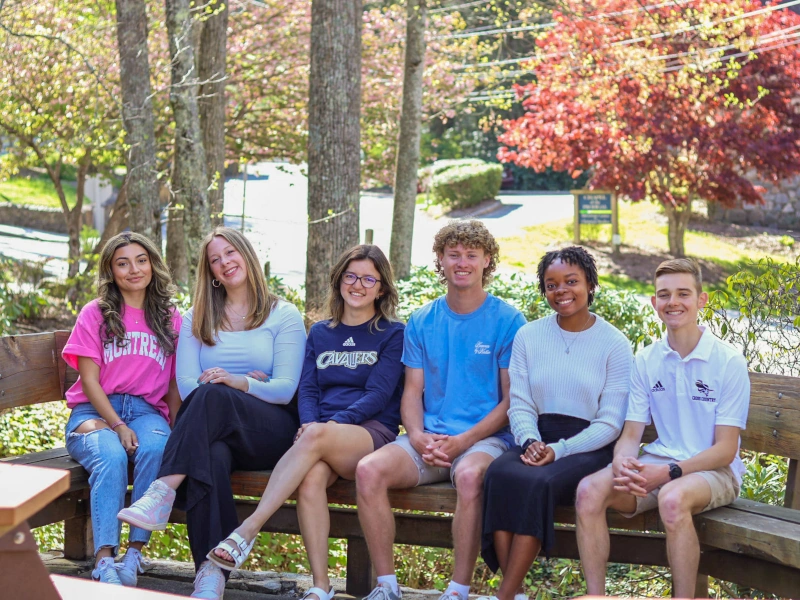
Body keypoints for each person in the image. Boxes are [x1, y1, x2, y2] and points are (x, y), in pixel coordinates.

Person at [207, 244, 405, 600]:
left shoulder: (392, 333)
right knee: (311, 481)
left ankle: (247, 530)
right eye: (350, 276)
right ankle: (320, 586)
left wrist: (323, 428)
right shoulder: (320, 333)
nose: (357, 285)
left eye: (368, 279)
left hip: (369, 431)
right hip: (320, 434)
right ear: (339, 280)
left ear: (382, 288)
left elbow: (377, 395)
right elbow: (309, 390)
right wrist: (311, 423)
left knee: (315, 441)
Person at [118, 227, 306, 600]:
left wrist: (238, 384)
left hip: (270, 430)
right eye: (215, 260)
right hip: (215, 430)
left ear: (246, 255)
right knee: (212, 455)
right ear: (211, 272)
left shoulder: (282, 314)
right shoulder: (197, 317)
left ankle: (163, 489)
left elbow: (285, 390)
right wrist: (226, 387)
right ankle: (210, 572)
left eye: (230, 253)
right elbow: (187, 385)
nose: (224, 263)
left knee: (214, 393)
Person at [356, 220, 527, 600]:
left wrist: (462, 440)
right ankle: (386, 587)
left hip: (486, 440)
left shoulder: (508, 321)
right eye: (454, 254)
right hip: (430, 440)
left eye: (471, 255)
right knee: (368, 471)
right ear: (441, 261)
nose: (462, 262)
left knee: (469, 478)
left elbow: (510, 401)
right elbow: (412, 391)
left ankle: (457, 590)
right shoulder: (422, 320)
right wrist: (416, 435)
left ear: (487, 261)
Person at [575, 258, 750, 598]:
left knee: (671, 499)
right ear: (654, 303)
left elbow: (725, 450)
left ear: (702, 300)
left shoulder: (727, 362)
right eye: (664, 295)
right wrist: (623, 462)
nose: (673, 302)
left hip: (715, 471)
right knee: (588, 491)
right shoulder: (646, 359)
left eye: (683, 293)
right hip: (659, 464)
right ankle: (596, 596)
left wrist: (669, 472)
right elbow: (630, 435)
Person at [479, 247, 633, 600]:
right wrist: (531, 440)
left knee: (538, 482)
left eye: (571, 281)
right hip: (537, 438)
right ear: (544, 290)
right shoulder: (529, 336)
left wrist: (559, 450)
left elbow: (611, 423)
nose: (561, 290)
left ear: (590, 284)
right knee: (500, 475)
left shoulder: (614, 344)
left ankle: (503, 595)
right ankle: (514, 592)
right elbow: (520, 403)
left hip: (588, 445)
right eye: (551, 284)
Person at [62, 231, 182, 586]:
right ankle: (104, 560)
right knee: (112, 456)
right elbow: (89, 382)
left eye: (141, 260)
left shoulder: (170, 316)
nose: (134, 269)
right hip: (94, 412)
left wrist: (176, 427)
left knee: (158, 447)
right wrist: (116, 425)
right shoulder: (95, 313)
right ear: (111, 271)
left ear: (152, 264)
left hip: (148, 412)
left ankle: (134, 554)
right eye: (123, 263)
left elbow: (174, 383)